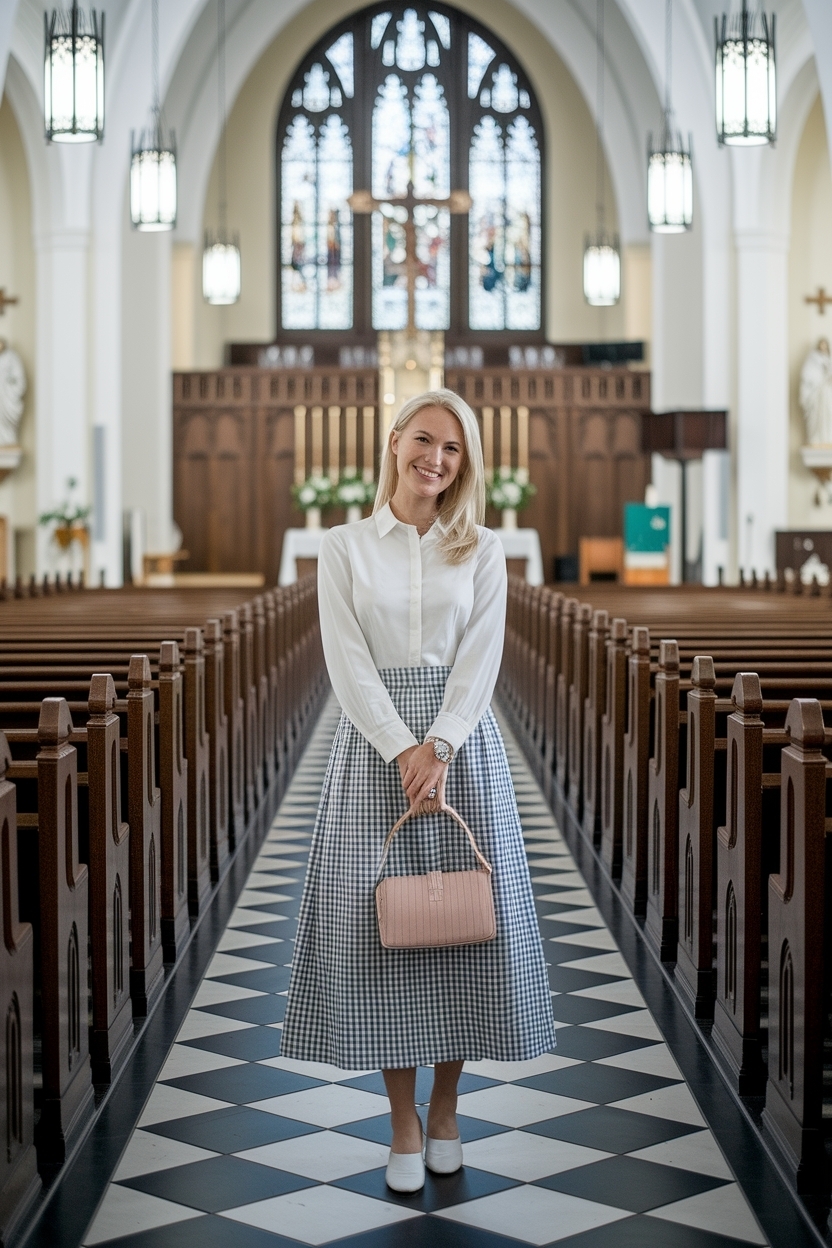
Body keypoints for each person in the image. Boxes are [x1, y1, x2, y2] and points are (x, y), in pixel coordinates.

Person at [281, 389, 556, 1193]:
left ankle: (445, 1107)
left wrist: (439, 742)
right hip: (374, 756)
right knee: (383, 940)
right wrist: (402, 745)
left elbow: (482, 655)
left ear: (465, 462)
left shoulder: (483, 548)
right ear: (395, 440)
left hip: (461, 750)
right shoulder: (343, 547)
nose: (435, 459)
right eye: (423, 440)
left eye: (453, 449)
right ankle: (401, 1119)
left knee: (463, 930)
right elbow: (344, 657)